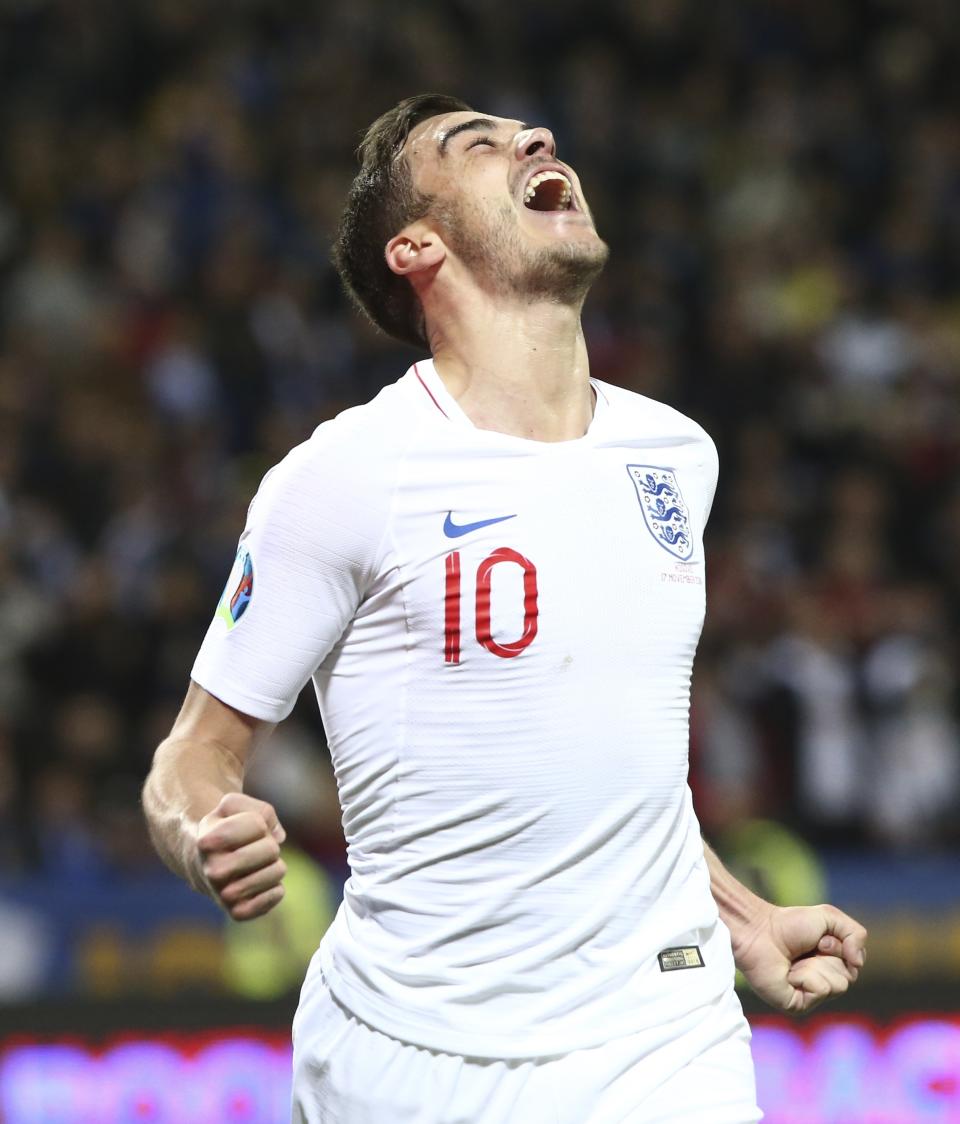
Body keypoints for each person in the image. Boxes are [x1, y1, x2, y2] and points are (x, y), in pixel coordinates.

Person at [142, 94, 868, 1123]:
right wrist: (207, 825)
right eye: (474, 144)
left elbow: (623, 774)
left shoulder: (675, 456)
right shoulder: (348, 475)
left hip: (664, 1038)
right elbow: (190, 758)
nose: (536, 140)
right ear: (416, 247)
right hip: (413, 1056)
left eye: (528, 132)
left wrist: (746, 919)